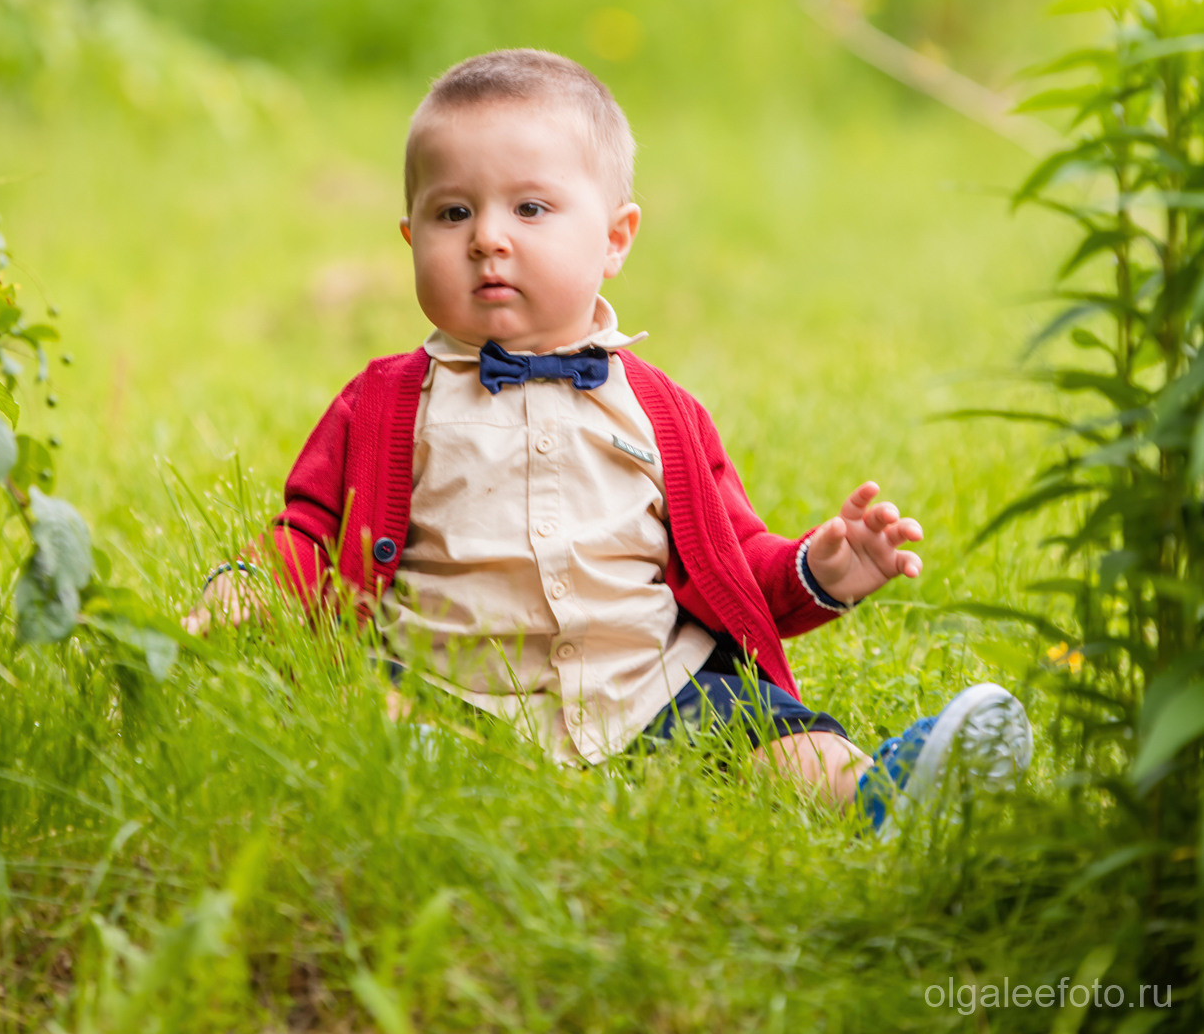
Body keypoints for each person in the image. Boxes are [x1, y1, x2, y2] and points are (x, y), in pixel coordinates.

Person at [185, 49, 1031, 831]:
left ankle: (886, 790)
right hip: (456, 689)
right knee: (380, 717)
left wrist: (820, 570)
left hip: (648, 684)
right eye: (452, 212)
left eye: (530, 207)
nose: (488, 236)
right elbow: (310, 529)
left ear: (616, 239)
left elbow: (733, 563)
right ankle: (464, 783)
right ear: (411, 239)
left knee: (769, 733)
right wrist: (252, 585)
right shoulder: (385, 403)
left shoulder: (662, 413)